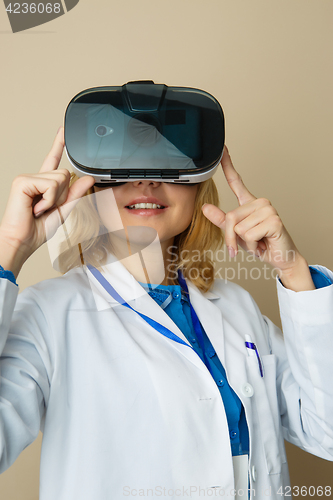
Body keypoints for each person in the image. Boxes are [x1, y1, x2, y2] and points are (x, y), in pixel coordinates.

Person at [0, 127, 332, 500]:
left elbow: (328, 432)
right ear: (93, 187)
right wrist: (9, 249)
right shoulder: (49, 312)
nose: (146, 180)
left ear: (197, 185)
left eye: (168, 163)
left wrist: (293, 271)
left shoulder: (238, 306)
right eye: (123, 167)